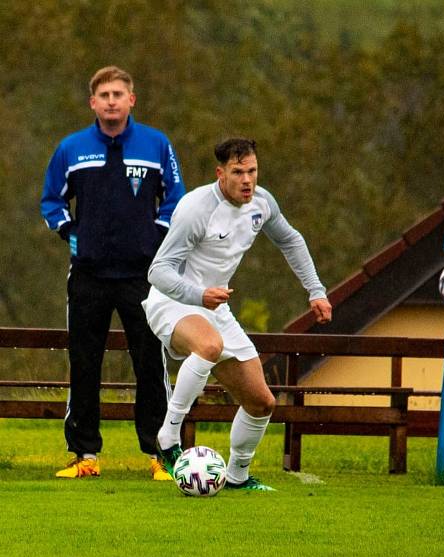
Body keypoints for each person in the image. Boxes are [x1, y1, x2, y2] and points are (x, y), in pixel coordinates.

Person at [144, 137, 332, 491]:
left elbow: (290, 240)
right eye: (238, 172)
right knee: (209, 346)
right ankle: (168, 438)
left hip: (215, 307)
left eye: (252, 171)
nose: (247, 180)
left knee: (262, 403)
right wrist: (198, 293)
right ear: (220, 173)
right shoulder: (195, 208)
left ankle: (238, 476)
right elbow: (158, 271)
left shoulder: (262, 203)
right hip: (172, 301)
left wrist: (316, 291)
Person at [41, 66, 186, 480]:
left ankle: (160, 455)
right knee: (84, 364)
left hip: (143, 277)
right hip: (87, 275)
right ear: (92, 102)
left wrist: (154, 238)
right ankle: (85, 455)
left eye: (118, 93)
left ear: (131, 100)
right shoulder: (70, 149)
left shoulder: (157, 145)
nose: (110, 100)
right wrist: (71, 233)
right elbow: (51, 202)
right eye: (103, 94)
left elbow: (175, 199)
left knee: (150, 365)